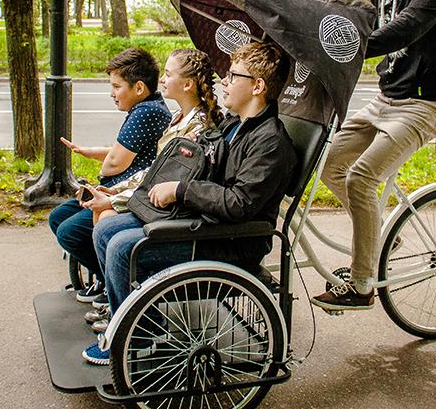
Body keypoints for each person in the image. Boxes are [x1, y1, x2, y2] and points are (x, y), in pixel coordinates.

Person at [82, 41, 297, 365]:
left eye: (232, 75)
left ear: (258, 86)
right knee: (106, 229)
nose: (223, 81)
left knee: (122, 247)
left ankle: (134, 339)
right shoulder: (234, 125)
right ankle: (140, 325)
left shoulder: (269, 142)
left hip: (228, 240)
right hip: (201, 221)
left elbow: (238, 203)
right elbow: (211, 165)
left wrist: (182, 190)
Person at [311, 0, 436, 312]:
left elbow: (405, 29)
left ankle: (361, 285)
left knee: (361, 177)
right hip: (384, 101)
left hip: (423, 105)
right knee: (328, 162)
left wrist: (346, 49)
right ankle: (379, 230)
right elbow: (359, 20)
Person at [48, 48, 172, 303]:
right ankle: (105, 276)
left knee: (69, 232)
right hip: (119, 188)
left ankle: (111, 280)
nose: (112, 93)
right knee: (58, 217)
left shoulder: (146, 113)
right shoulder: (147, 107)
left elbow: (115, 163)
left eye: (117, 87)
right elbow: (125, 152)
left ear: (138, 88)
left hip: (128, 195)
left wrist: (102, 173)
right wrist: (92, 153)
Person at [82, 48, 224, 225]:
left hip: (170, 204)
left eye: (168, 74)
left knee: (105, 217)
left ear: (187, 84)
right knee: (102, 214)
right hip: (155, 194)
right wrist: (116, 191)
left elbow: (167, 178)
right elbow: (155, 169)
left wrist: (113, 200)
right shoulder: (177, 117)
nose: (162, 80)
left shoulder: (197, 128)